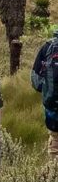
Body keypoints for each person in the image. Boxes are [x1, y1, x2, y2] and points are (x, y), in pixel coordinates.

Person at [31, 28, 58, 157]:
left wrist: (48, 90)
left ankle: (53, 175)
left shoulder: (47, 47)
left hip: (52, 107)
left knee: (55, 142)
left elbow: (36, 81)